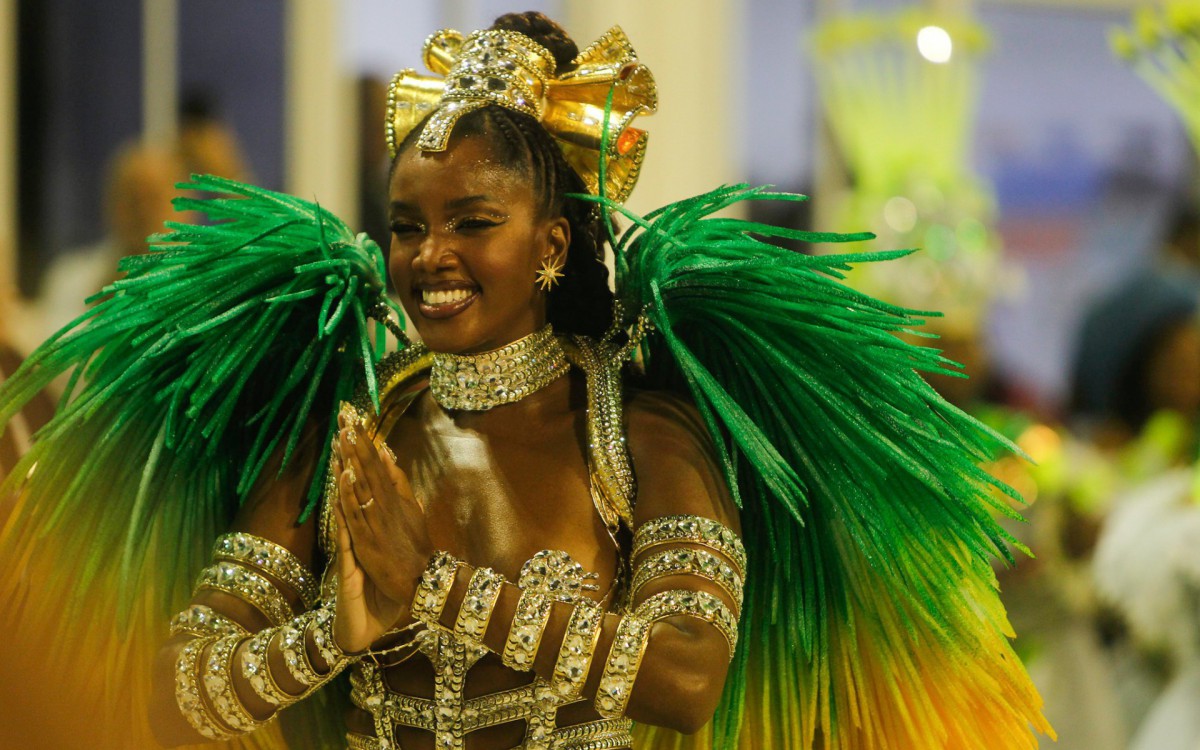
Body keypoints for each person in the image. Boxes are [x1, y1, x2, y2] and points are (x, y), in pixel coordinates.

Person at [0, 12, 1051, 750]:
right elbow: (171, 698)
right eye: (408, 226)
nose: (429, 257)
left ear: (551, 243)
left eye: (472, 224)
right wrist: (343, 631)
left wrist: (438, 591)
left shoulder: (638, 428)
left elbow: (689, 677)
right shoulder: (341, 433)